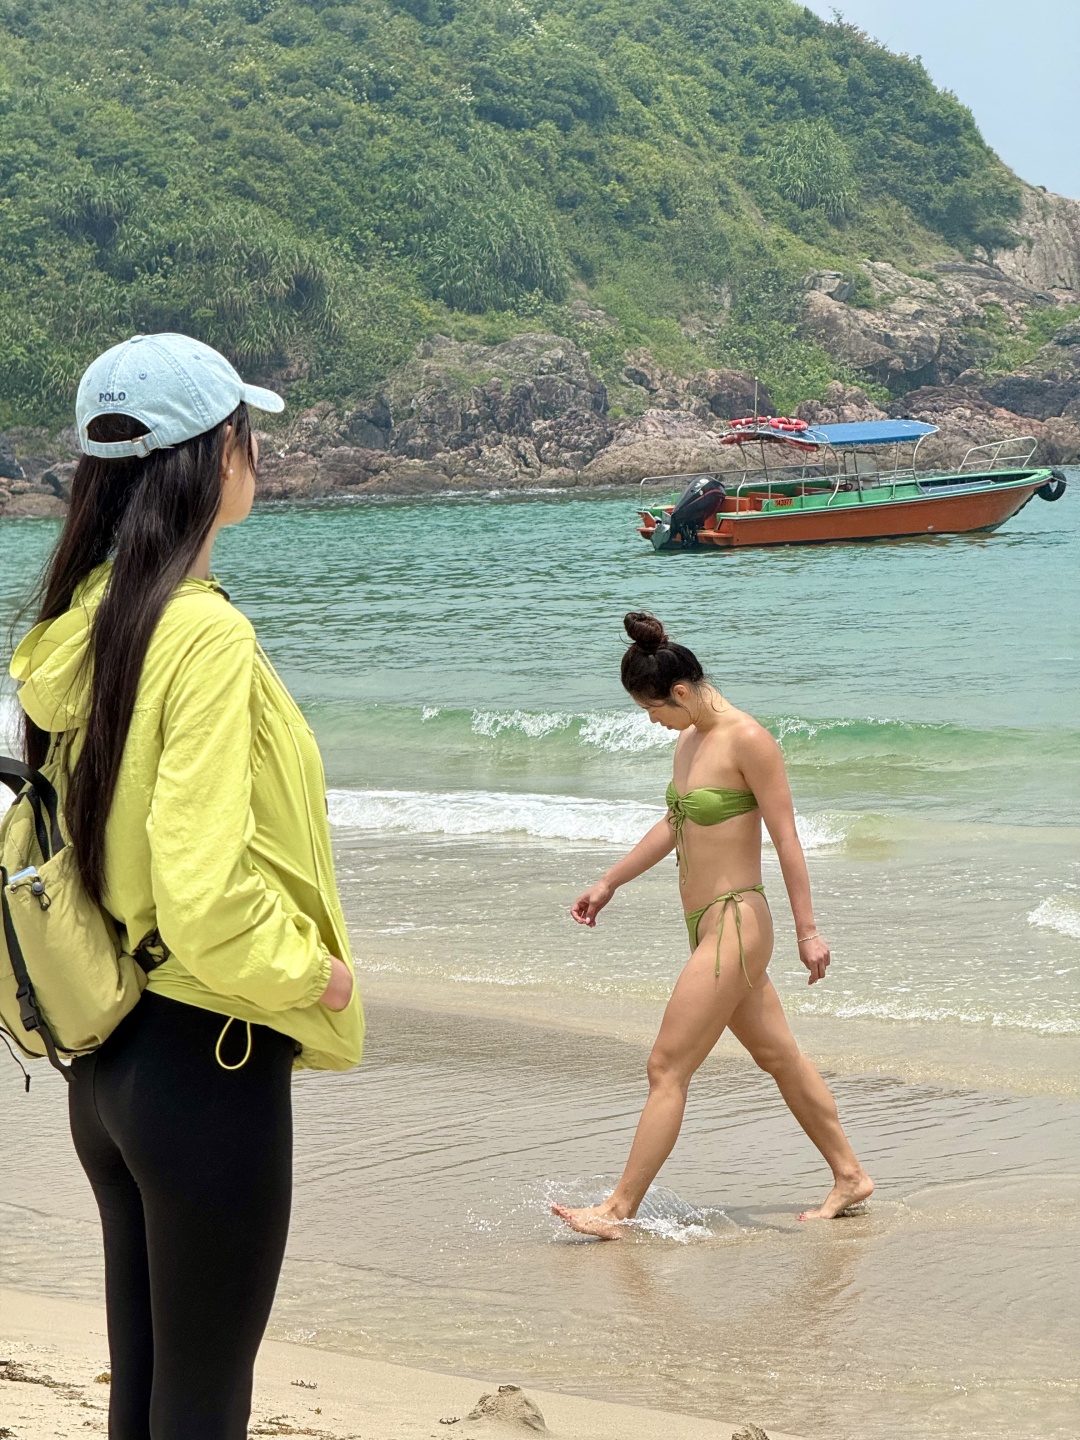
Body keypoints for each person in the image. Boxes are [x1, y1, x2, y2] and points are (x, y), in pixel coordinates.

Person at [10, 333, 364, 1437]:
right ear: (216, 456)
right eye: (248, 434)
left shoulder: (81, 624)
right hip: (208, 1058)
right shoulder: (201, 632)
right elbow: (204, 889)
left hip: (108, 1062)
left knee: (152, 1395)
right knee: (204, 1406)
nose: (257, 455)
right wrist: (313, 976)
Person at [552, 612, 872, 1240]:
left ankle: (617, 1209)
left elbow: (787, 840)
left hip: (737, 921)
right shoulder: (689, 741)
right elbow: (675, 824)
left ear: (679, 691)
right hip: (704, 925)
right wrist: (610, 880)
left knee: (666, 1066)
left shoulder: (748, 739)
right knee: (779, 1056)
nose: (651, 721)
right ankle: (850, 1175)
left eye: (652, 709)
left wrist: (808, 932)